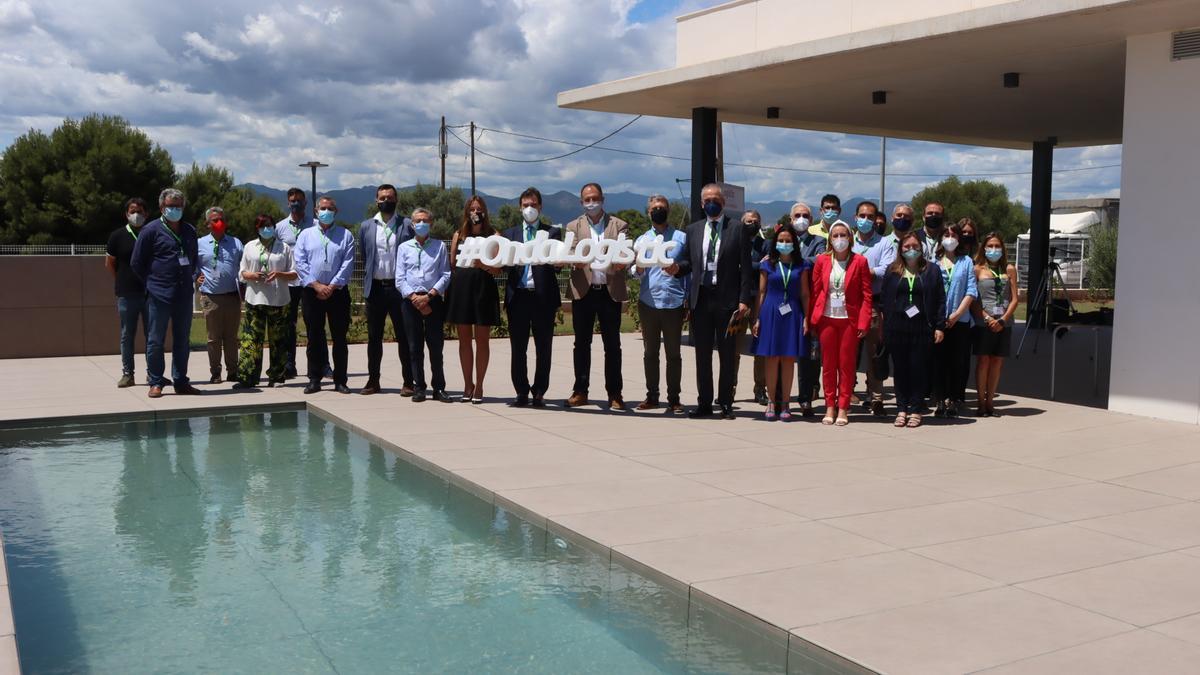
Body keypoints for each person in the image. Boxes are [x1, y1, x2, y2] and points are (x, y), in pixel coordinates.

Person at [674, 183, 756, 419]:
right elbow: (690, 263)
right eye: (707, 199)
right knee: (702, 355)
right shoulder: (693, 230)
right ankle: (704, 403)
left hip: (728, 301)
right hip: (701, 300)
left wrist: (744, 299)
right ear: (701, 203)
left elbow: (746, 269)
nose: (711, 202)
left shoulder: (738, 228)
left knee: (728, 355)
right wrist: (676, 268)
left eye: (716, 199)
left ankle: (726, 403)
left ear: (723, 202)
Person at [130, 188, 202, 398]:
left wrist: (192, 274)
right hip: (159, 294)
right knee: (155, 340)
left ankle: (181, 381)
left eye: (179, 206)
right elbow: (137, 262)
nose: (175, 210)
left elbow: (193, 257)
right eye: (171, 206)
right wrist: (151, 282)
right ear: (162, 208)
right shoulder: (150, 230)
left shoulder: (189, 230)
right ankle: (156, 381)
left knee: (182, 340)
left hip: (183, 294)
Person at [565, 183, 629, 410]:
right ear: (581, 202)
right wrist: (575, 260)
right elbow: (569, 251)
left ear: (603, 199)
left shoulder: (619, 225)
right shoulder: (573, 226)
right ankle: (580, 391)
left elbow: (624, 252)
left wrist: (623, 262)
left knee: (613, 346)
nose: (591, 203)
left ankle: (615, 394)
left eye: (595, 198)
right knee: (581, 344)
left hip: (609, 293)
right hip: (584, 292)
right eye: (587, 199)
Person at [880, 231, 947, 427]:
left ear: (921, 248)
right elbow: (884, 298)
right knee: (900, 370)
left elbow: (940, 300)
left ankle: (916, 409)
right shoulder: (893, 270)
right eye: (907, 247)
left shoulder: (932, 270)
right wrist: (885, 325)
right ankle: (901, 408)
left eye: (915, 246)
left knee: (918, 369)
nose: (911, 250)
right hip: (897, 328)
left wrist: (939, 326)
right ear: (901, 249)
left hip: (922, 328)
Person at [809, 221, 871, 426]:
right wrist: (813, 319)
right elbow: (816, 291)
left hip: (849, 321)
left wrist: (863, 322)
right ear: (829, 240)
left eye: (843, 235)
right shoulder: (822, 261)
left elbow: (866, 295)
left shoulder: (860, 261)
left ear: (850, 238)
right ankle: (829, 405)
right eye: (834, 236)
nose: (839, 239)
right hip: (827, 319)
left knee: (846, 365)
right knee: (828, 365)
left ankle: (843, 407)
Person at [503, 187, 561, 408]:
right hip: (517, 297)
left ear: (540, 207)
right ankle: (521, 391)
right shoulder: (510, 234)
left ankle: (539, 391)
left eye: (533, 205)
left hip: (542, 298)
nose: (529, 209)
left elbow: (556, 266)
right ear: (520, 207)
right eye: (526, 205)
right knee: (518, 349)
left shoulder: (553, 232)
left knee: (543, 348)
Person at [294, 196, 355, 394]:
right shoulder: (305, 235)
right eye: (323, 208)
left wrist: (332, 285)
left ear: (335, 212)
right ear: (315, 211)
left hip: (337, 293)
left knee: (339, 337)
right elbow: (300, 263)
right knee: (314, 336)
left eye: (330, 208)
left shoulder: (346, 235)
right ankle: (314, 379)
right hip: (312, 292)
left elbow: (348, 263)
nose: (326, 211)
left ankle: (340, 380)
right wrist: (317, 285)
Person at [358, 184, 416, 396]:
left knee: (404, 336)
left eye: (390, 197)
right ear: (376, 200)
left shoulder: (407, 224)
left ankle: (408, 381)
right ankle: (373, 381)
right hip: (375, 289)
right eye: (382, 197)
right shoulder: (366, 226)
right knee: (374, 338)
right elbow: (365, 256)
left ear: (396, 200)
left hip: (399, 289)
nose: (386, 200)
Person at [634, 195, 689, 413]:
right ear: (648, 212)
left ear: (668, 210)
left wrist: (688, 300)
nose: (659, 210)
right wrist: (637, 269)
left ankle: (674, 398)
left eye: (662, 207)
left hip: (674, 302)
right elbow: (635, 271)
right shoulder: (641, 240)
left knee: (673, 354)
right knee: (650, 353)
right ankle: (652, 396)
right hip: (648, 302)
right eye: (655, 208)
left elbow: (688, 270)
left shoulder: (681, 238)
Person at [447, 196, 502, 403]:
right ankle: (467, 384)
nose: (476, 213)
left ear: (485, 212)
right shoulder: (458, 235)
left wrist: (483, 265)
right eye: (472, 209)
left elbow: (498, 269)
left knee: (482, 340)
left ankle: (479, 386)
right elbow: (453, 264)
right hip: (462, 288)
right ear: (466, 212)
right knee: (464, 341)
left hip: (483, 288)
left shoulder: (494, 235)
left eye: (479, 209)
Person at [752, 224, 809, 420]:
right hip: (770, 312)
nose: (784, 244)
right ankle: (770, 402)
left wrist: (807, 317)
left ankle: (785, 403)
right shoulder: (767, 264)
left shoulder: (802, 265)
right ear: (775, 243)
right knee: (771, 357)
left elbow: (804, 293)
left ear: (794, 243)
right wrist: (757, 318)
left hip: (793, 313)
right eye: (781, 240)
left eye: (788, 241)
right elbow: (761, 292)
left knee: (788, 359)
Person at [234, 215, 296, 388]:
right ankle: (248, 377)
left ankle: (277, 377)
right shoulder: (249, 246)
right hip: (255, 299)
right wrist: (252, 275)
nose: (267, 229)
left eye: (269, 225)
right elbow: (242, 273)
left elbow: (294, 273)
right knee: (251, 340)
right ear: (257, 228)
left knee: (278, 341)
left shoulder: (283, 247)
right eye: (263, 226)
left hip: (279, 300)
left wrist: (279, 274)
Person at [397, 208, 452, 403]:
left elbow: (446, 274)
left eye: (425, 221)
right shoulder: (404, 248)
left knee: (436, 346)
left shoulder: (439, 246)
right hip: (410, 301)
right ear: (412, 225)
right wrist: (414, 298)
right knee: (414, 347)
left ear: (431, 224)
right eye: (418, 221)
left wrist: (429, 296)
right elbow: (400, 278)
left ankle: (439, 388)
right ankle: (419, 387)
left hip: (433, 300)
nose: (421, 224)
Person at [931, 223, 979, 417]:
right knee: (938, 361)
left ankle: (953, 399)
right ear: (941, 238)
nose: (949, 237)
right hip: (939, 321)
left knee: (957, 362)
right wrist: (940, 318)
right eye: (946, 234)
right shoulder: (933, 263)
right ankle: (940, 399)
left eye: (953, 234)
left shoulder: (966, 261)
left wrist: (958, 313)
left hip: (960, 320)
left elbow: (971, 290)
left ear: (959, 239)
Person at [971, 233, 1018, 417]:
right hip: (984, 324)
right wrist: (987, 318)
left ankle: (990, 401)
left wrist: (1003, 320)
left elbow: (1015, 299)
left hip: (1004, 323)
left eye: (997, 246)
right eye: (990, 246)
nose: (993, 249)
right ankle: (980, 402)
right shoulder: (977, 269)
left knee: (997, 361)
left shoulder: (1009, 269)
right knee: (983, 361)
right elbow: (973, 300)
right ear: (983, 248)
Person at [196, 207, 244, 384]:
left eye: (222, 219)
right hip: (210, 297)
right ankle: (215, 372)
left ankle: (233, 371)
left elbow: (244, 265)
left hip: (232, 296)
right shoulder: (199, 243)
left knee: (231, 337)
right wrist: (196, 276)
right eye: (215, 220)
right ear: (208, 224)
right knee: (213, 338)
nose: (219, 223)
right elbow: (192, 264)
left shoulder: (236, 243)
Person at [106, 197, 148, 388]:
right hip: (127, 294)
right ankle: (127, 374)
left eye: (139, 211)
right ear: (126, 214)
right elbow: (110, 264)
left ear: (146, 214)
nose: (136, 214)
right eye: (132, 211)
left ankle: (153, 374)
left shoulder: (152, 233)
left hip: (151, 294)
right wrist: (123, 281)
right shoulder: (117, 236)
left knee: (153, 335)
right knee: (127, 335)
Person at [275, 187, 316, 380]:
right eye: (292, 201)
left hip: (309, 283)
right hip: (289, 283)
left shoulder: (315, 225)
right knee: (287, 326)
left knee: (312, 324)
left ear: (306, 202)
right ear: (287, 203)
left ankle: (316, 365)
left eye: (299, 200)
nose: (296, 204)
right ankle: (289, 365)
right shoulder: (280, 227)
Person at [851, 200, 885, 416]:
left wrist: (862, 272)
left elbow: (886, 269)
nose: (865, 220)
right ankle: (846, 393)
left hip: (872, 303)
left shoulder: (884, 243)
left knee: (874, 354)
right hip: (847, 305)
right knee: (849, 353)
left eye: (870, 217)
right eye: (862, 215)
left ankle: (876, 397)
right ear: (855, 217)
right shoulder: (845, 239)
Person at [792, 201, 823, 416]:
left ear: (811, 221)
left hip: (809, 302)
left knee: (808, 354)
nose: (801, 219)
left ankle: (806, 398)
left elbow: (818, 261)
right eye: (797, 215)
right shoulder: (784, 239)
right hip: (786, 303)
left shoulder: (819, 241)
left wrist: (792, 260)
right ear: (791, 219)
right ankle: (779, 398)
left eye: (805, 215)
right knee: (782, 351)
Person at [743, 209, 774, 406]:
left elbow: (767, 266)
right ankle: (730, 387)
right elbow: (739, 267)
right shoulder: (734, 242)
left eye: (755, 221)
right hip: (739, 299)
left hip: (759, 300)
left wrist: (747, 266)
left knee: (760, 347)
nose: (751, 224)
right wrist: (754, 265)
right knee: (734, 347)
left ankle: (760, 388)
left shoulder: (766, 244)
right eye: (748, 221)